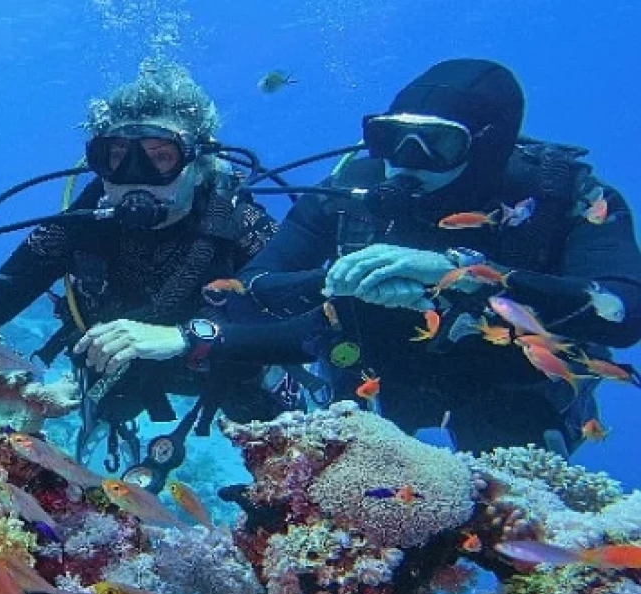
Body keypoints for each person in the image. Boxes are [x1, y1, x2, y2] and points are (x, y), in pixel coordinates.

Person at [147, 58, 641, 455]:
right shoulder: (349, 189)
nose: (404, 159)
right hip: (373, 381)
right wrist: (337, 279)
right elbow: (249, 292)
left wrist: (465, 274)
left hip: (511, 385)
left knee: (515, 505)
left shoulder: (560, 199)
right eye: (388, 137)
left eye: (439, 143)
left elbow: (624, 311)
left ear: (491, 146)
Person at [0, 63, 294, 491]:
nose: (136, 178)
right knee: (109, 407)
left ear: (198, 163)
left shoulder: (240, 224)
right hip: (124, 369)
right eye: (116, 158)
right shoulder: (81, 223)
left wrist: (194, 335)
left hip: (224, 367)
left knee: (272, 421)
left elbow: (300, 316)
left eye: (160, 158)